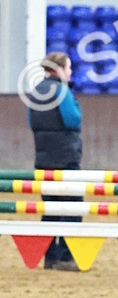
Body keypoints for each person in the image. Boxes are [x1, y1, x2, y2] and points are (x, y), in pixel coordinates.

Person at [27, 52, 82, 271]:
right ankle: (66, 257)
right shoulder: (62, 90)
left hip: (43, 157)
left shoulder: (35, 92)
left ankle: (50, 257)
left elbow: (32, 122)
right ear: (58, 69)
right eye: (68, 68)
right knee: (71, 208)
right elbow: (73, 119)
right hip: (66, 158)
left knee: (49, 210)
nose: (70, 72)